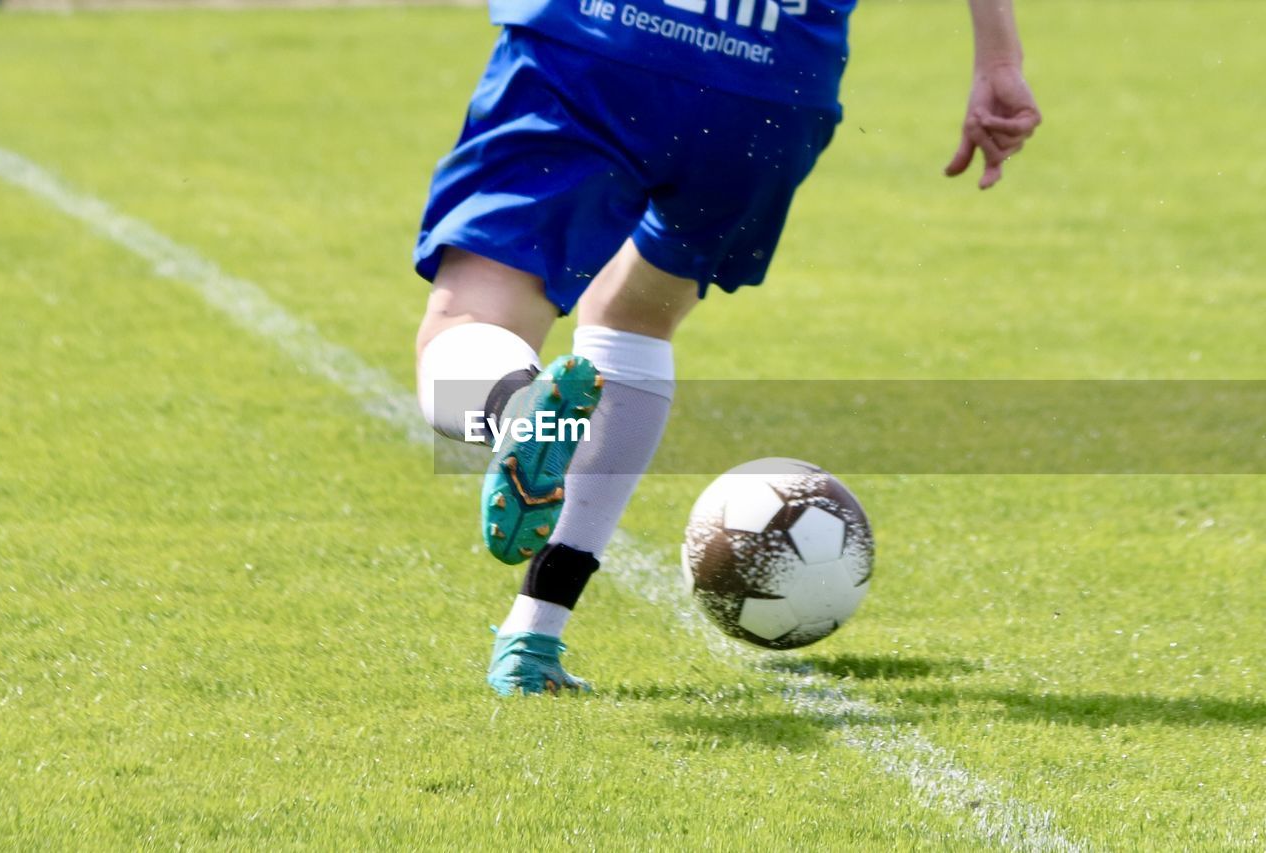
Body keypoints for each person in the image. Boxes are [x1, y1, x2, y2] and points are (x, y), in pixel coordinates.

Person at [414, 0, 1041, 695]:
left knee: (473, 314)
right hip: (769, 74)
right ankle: (534, 634)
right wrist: (1000, 61)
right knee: (634, 320)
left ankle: (513, 410)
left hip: (601, 38)